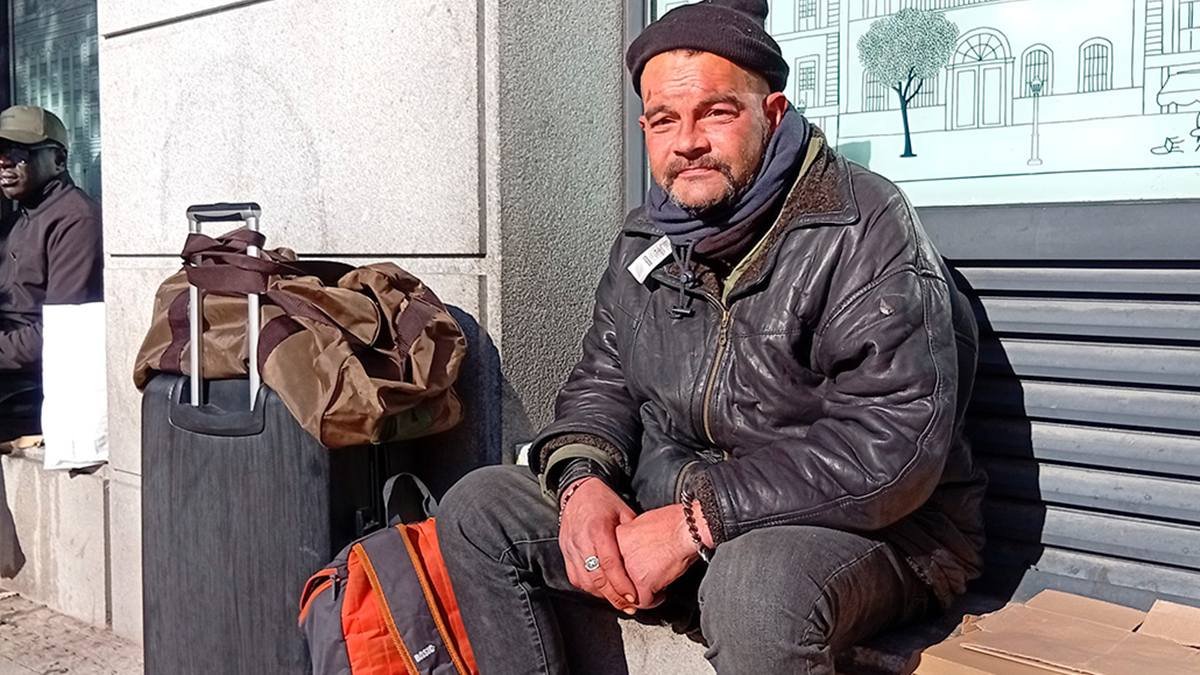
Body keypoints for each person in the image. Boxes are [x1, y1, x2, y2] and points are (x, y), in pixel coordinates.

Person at [436, 1, 985, 672]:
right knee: (479, 508)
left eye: (715, 113)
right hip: (679, 500)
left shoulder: (862, 225)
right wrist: (582, 481)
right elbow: (602, 382)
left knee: (756, 586)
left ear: (772, 113)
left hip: (870, 528)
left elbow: (894, 446)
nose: (687, 140)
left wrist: (698, 520)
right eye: (664, 120)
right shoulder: (647, 238)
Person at [0, 105, 103, 446]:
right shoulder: (20, 218)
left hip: (37, 385)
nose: (4, 162)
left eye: (18, 153)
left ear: (58, 160)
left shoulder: (75, 220)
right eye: (0, 153)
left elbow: (62, 335)